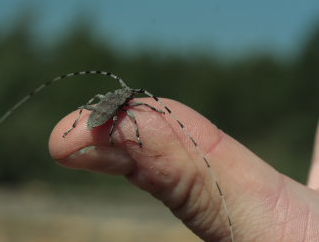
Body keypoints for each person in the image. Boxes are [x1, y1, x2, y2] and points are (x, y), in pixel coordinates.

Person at [49, 98, 319, 241]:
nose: (131, 99)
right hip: (101, 118)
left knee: (118, 124)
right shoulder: (122, 107)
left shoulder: (126, 106)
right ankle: (79, 131)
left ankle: (81, 132)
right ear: (124, 100)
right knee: (111, 123)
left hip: (102, 116)